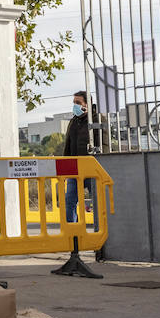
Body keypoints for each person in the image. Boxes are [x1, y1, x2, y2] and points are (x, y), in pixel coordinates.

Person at [61, 90, 96, 223]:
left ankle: (100, 231)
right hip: (73, 169)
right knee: (69, 202)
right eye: (74, 102)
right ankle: (73, 234)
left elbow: (103, 144)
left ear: (87, 104)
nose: (75, 105)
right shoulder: (73, 122)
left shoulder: (97, 120)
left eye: (78, 102)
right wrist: (64, 169)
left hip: (92, 169)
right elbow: (67, 146)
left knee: (98, 202)